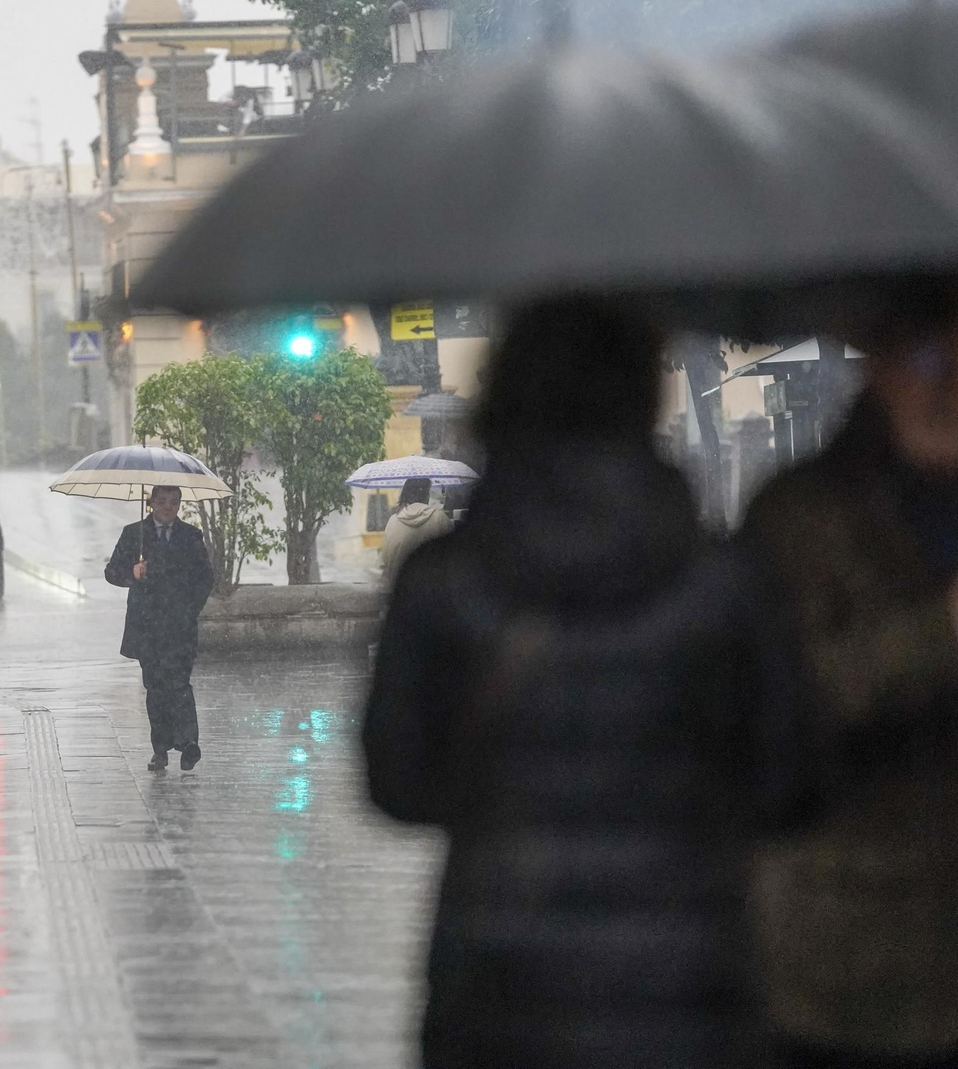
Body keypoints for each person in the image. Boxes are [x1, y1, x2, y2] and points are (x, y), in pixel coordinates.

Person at [363, 299, 806, 1069]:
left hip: (499, 995)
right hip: (687, 994)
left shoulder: (442, 582)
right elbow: (792, 785)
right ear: (643, 396)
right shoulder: (726, 581)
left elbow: (396, 786)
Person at [740, 314, 958, 1069]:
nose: (949, 384)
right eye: (930, 353)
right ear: (881, 366)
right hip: (840, 969)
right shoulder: (799, 514)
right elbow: (779, 705)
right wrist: (940, 633)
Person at [104, 484, 214, 773]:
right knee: (156, 688)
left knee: (179, 685)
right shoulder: (134, 535)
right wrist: (133, 572)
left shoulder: (191, 536)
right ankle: (161, 748)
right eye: (162, 502)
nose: (168, 508)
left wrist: (189, 610)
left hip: (179, 626)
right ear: (151, 502)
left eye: (174, 503)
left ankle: (189, 743)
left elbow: (204, 578)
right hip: (147, 627)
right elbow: (111, 572)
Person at [380, 477, 454, 580]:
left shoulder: (393, 521)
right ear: (426, 494)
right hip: (431, 588)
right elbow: (453, 554)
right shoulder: (439, 518)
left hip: (399, 589)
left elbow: (385, 559)